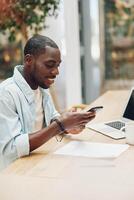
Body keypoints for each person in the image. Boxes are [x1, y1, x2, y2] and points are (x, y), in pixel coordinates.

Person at [0, 35, 96, 169]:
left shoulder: (42, 88)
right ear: (29, 60)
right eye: (50, 65)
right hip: (14, 172)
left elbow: (52, 120)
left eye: (57, 65)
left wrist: (68, 126)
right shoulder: (6, 94)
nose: (56, 72)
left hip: (38, 162)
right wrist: (60, 125)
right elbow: (11, 148)